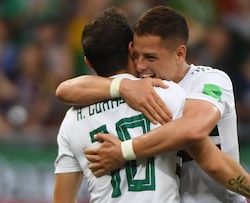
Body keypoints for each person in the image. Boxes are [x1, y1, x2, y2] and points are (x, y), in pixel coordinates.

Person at [56, 6, 250, 203]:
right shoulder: (148, 91)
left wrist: (124, 151)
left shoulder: (209, 80)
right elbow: (65, 89)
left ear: (180, 54)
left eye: (151, 58)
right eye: (137, 56)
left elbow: (192, 130)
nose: (141, 66)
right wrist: (123, 86)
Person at [53, 7, 185, 203]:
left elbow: (62, 200)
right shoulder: (166, 93)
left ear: (88, 63)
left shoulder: (71, 121)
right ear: (132, 49)